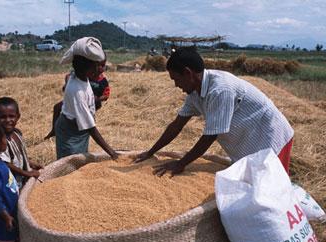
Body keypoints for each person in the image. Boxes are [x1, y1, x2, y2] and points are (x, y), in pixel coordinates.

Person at [135, 46, 294, 176]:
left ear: (188, 73)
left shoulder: (220, 89)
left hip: (271, 138)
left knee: (270, 188)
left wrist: (181, 163)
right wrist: (151, 152)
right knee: (254, 183)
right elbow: (177, 125)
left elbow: (210, 135)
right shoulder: (194, 93)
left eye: (176, 79)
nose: (176, 85)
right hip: (250, 144)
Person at [55, 37, 118, 160]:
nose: (99, 70)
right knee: (71, 161)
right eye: (96, 66)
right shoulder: (77, 92)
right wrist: (112, 153)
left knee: (80, 157)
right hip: (71, 134)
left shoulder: (80, 77)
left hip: (78, 130)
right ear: (86, 68)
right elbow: (91, 128)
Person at [44, 58, 111, 140]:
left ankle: (83, 133)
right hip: (76, 99)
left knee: (82, 118)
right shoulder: (85, 75)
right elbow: (68, 76)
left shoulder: (103, 81)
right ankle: (54, 130)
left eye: (103, 66)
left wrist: (97, 99)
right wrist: (68, 85)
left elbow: (106, 95)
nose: (101, 68)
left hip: (92, 103)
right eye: (99, 65)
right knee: (57, 107)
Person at [0, 97, 42, 188]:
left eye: (11, 116)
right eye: (2, 117)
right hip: (10, 184)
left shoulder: (17, 133)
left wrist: (29, 163)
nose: (7, 120)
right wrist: (26, 173)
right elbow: (5, 163)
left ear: (18, 116)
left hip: (23, 180)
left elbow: (17, 157)